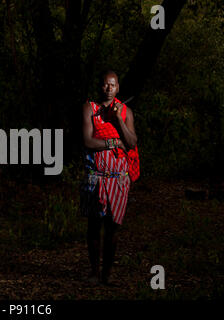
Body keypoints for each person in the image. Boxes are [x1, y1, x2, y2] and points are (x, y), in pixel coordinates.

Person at [80, 70, 140, 286]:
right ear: (100, 86)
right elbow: (88, 141)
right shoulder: (90, 109)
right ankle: (94, 272)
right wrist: (114, 143)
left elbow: (132, 143)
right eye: (105, 84)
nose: (108, 88)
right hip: (96, 177)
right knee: (94, 226)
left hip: (118, 179)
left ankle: (108, 273)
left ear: (117, 88)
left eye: (112, 85)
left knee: (113, 227)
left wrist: (118, 122)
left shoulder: (126, 112)